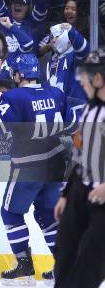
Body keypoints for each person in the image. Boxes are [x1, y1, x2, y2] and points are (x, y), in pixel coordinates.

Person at [0, 53, 79, 285]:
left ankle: (24, 266)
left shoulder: (15, 97)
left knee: (10, 213)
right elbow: (72, 123)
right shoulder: (55, 93)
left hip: (28, 166)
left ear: (18, 75)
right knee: (47, 214)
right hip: (56, 165)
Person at [53, 48, 105, 288]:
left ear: (99, 79)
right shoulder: (88, 109)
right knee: (64, 258)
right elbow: (78, 153)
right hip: (80, 193)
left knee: (89, 264)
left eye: (87, 77)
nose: (82, 82)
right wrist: (66, 195)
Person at [46, 23, 90, 105]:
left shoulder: (75, 55)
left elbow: (85, 50)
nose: (53, 40)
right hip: (60, 110)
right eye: (51, 37)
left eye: (57, 36)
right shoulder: (52, 59)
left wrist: (70, 30)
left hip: (77, 110)